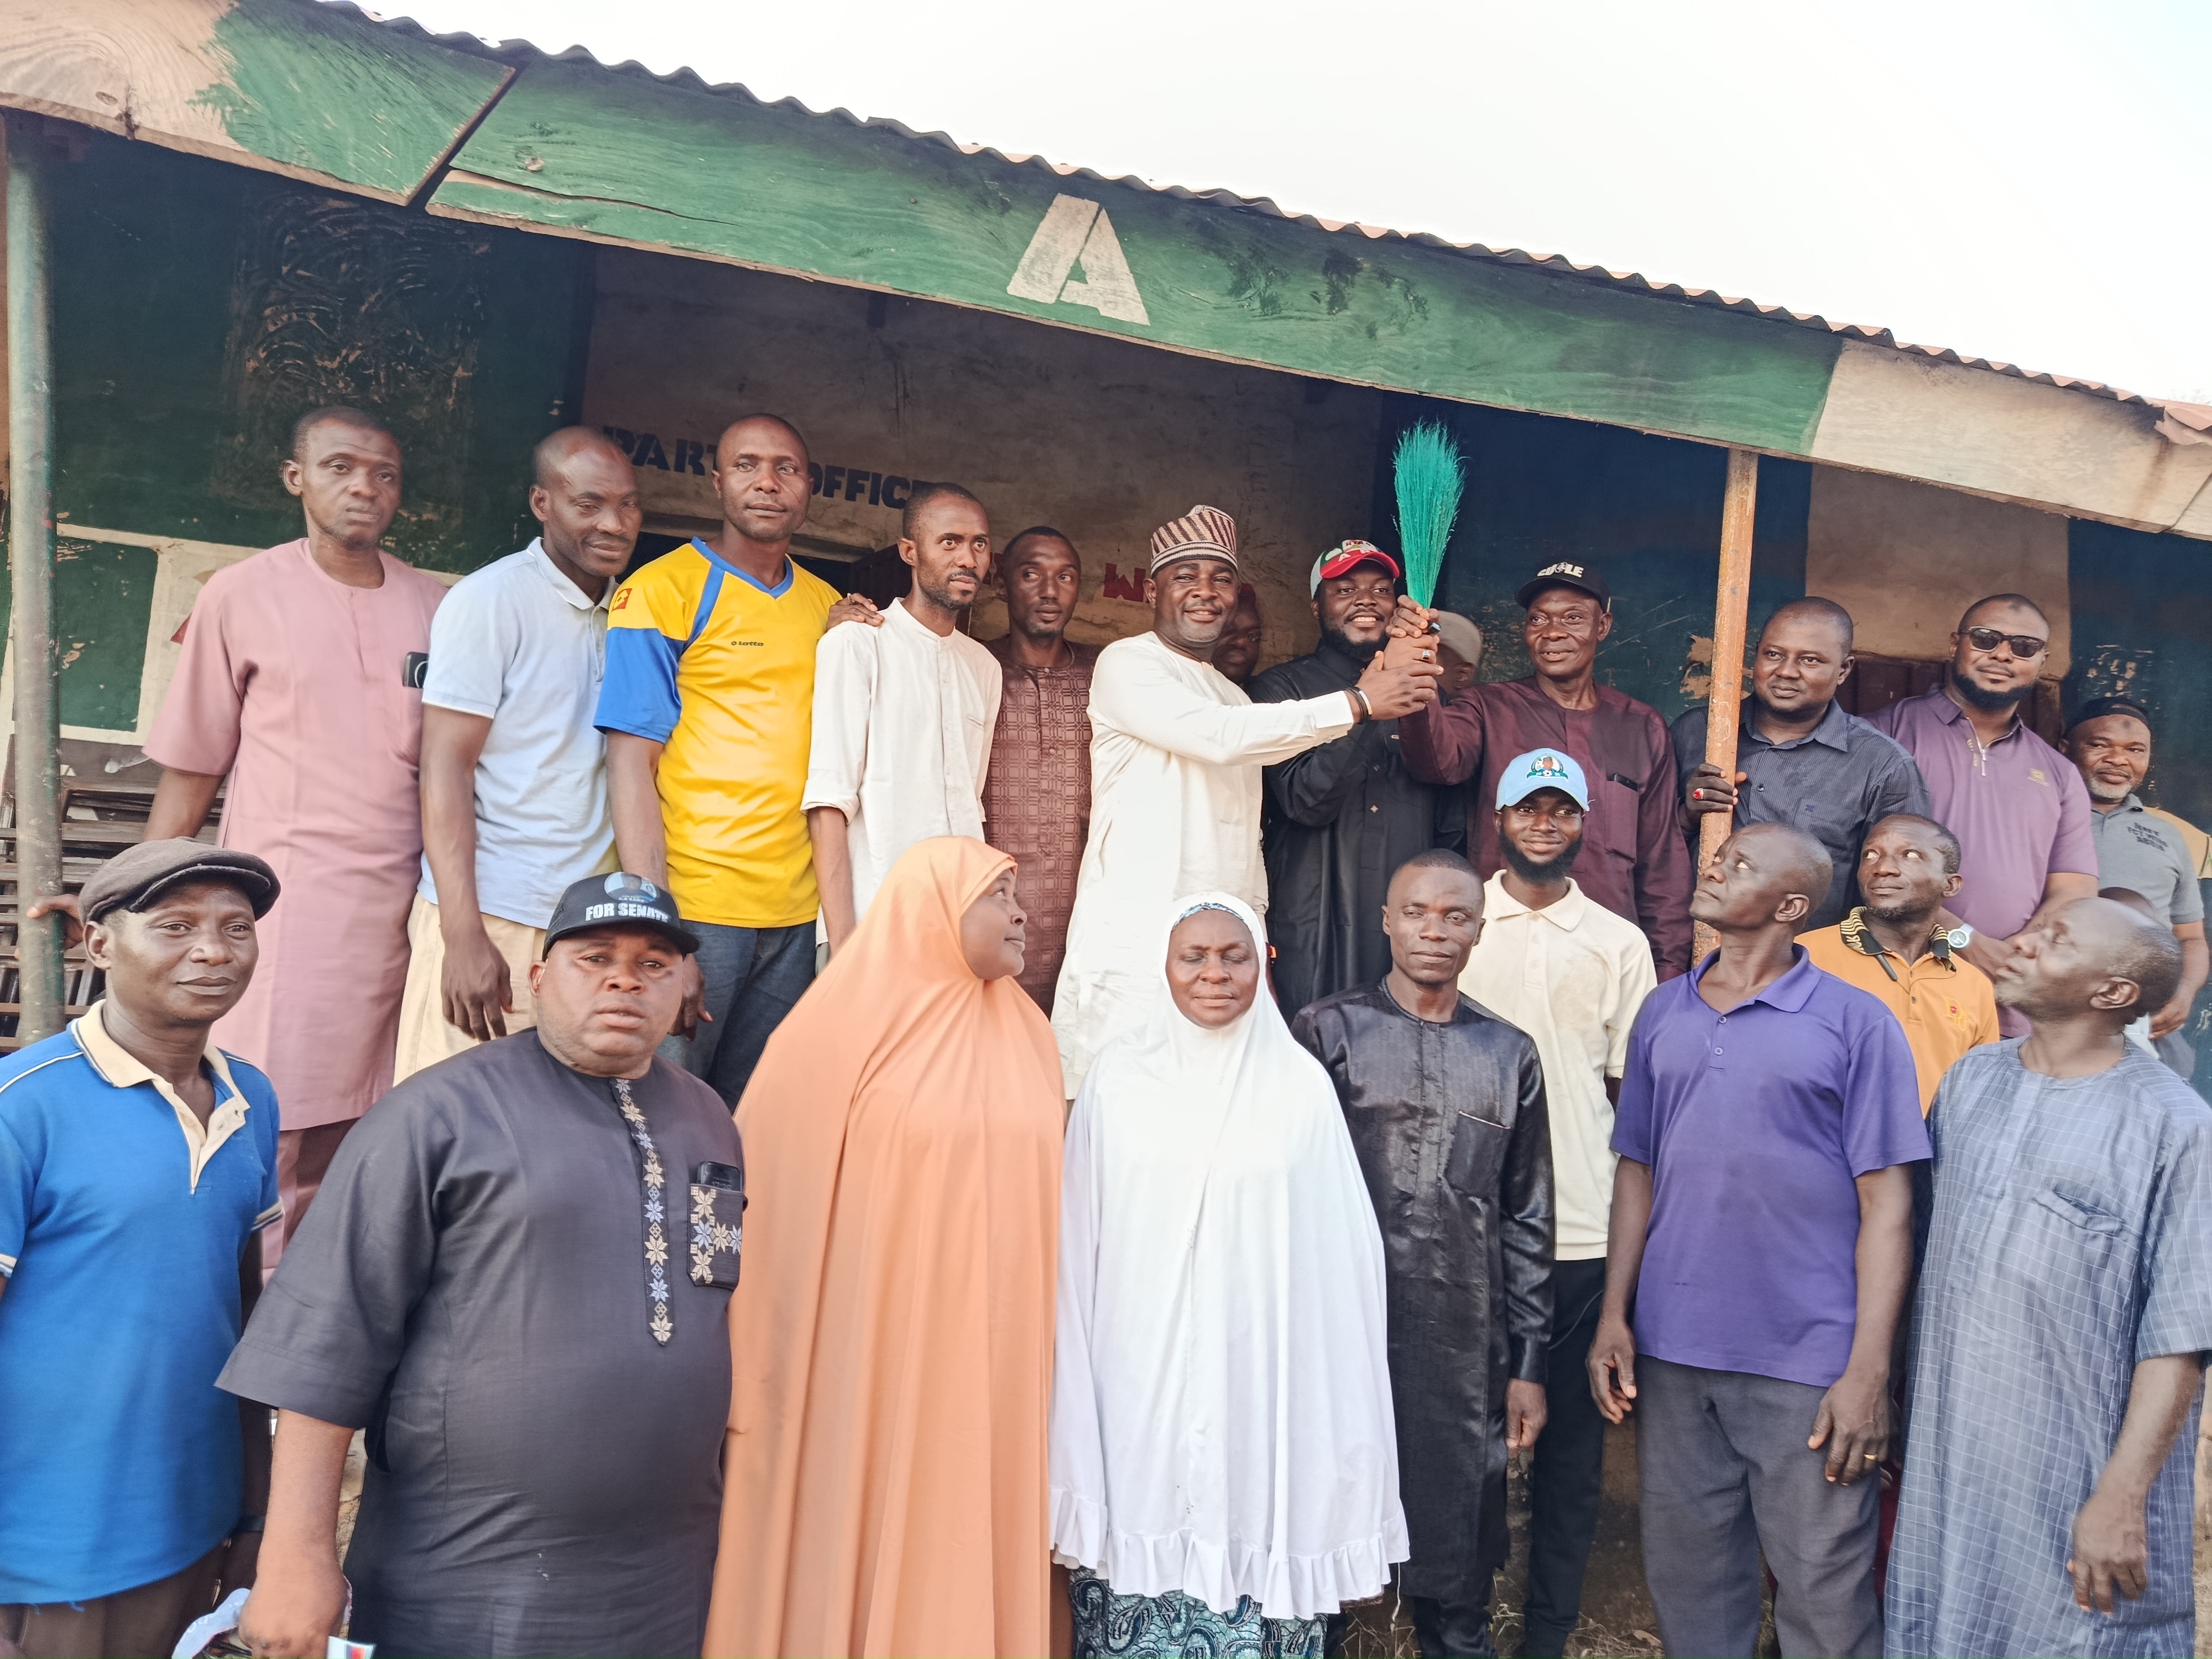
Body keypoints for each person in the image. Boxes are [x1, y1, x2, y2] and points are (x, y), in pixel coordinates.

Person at [220, 873, 739, 1659]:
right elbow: (324, 1346)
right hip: (466, 1580)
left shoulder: (709, 1119)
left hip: (665, 1578)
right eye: (594, 957)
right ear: (538, 978)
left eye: (654, 964)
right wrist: (295, 1559)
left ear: (685, 986)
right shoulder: (438, 1115)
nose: (624, 980)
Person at [706, 838, 1063, 1659]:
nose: (1021, 915)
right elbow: (774, 1213)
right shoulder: (832, 1033)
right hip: (865, 1366)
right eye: (998, 895)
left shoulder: (1031, 1037)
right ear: (928, 908)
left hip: (996, 1366)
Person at [1589, 823, 1928, 1659]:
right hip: (1674, 1349)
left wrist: (1868, 1371)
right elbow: (1637, 1169)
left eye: (1738, 865)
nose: (1714, 868)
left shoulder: (1856, 1021)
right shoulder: (1663, 1010)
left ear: (1789, 906)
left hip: (1808, 1360)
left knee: (1823, 1595)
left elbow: (1888, 1204)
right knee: (1692, 1586)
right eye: (1719, 857)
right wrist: (1614, 1316)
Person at [1051, 894, 1407, 1656]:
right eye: (1194, 957)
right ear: (1164, 967)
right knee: (1145, 1528)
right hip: (1137, 1384)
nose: (1214, 973)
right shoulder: (1117, 1080)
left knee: (1253, 1516)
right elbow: (1078, 1242)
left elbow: (1342, 1270)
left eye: (1233, 956)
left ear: (1261, 966)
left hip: (1263, 1386)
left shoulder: (1299, 1088)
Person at [135, 406, 445, 1262]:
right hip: (283, 905)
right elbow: (195, 765)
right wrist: (138, 892)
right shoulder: (241, 594)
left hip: (404, 910)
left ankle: (317, 1305)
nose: (364, 488)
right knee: (267, 1111)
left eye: (384, 474)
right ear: (296, 477)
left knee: (372, 1120)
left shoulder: (438, 608)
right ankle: (243, 1301)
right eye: (341, 467)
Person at [1886, 898, 2212, 1657]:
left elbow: (2179, 1336)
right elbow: (1920, 1246)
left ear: (2113, 992)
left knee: (2073, 1630)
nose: (2023, 945)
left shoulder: (2176, 1126)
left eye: (2055, 941)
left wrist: (2121, 1497)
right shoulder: (1971, 1080)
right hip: (1949, 1457)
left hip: (2073, 1472)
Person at [0, 842, 281, 1659]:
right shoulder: (24, 1107)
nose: (213, 951)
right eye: (176, 927)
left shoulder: (251, 1097)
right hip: (41, 1555)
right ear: (99, 944)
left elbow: (243, 1320)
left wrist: (256, 1515)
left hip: (188, 1531)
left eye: (236, 928)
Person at [1051, 506, 1439, 1095]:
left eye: (1221, 579)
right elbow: (1220, 737)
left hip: (1218, 959)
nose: (1205, 592)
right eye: (1186, 576)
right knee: (1114, 1106)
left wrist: (1258, 947)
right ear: (1152, 590)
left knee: (1207, 1110)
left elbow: (1245, 842)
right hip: (1133, 939)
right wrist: (1360, 703)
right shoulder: (1128, 663)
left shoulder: (1234, 696)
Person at [1295, 849, 1553, 1659]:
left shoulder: (1507, 1053)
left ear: (1479, 929)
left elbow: (1527, 1217)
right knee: (1324, 1545)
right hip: (1339, 1337)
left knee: (1457, 1570)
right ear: (1386, 920)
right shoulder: (1326, 1032)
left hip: (1462, 1349)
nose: (1434, 931)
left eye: (1454, 916)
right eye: (1416, 913)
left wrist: (1529, 1364)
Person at [596, 414, 876, 1105]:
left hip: (796, 916)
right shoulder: (661, 591)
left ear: (809, 486)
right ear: (717, 482)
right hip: (699, 906)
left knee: (753, 1116)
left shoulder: (826, 606)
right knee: (662, 1107)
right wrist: (659, 926)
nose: (767, 483)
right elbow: (630, 764)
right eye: (747, 465)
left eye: (786, 468)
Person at [1457, 750, 1656, 1659]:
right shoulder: (1457, 918)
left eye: (1561, 809)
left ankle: (1546, 1637)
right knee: (1467, 1450)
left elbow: (1631, 1094)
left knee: (1572, 1460)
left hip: (1580, 1222)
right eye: (1527, 807)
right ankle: (1457, 1627)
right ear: (1498, 819)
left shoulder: (1617, 942)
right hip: (1469, 1224)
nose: (1544, 822)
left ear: (1583, 824)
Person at [395, 428, 639, 1079]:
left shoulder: (631, 610)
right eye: (589, 504)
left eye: (627, 505)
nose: (614, 524)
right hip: (494, 915)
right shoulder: (491, 600)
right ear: (542, 503)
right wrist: (461, 935)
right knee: (457, 1114)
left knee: (558, 1122)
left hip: (586, 926)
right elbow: (446, 766)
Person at [1398, 561, 1694, 979]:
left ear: (1603, 626)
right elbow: (1437, 764)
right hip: (1498, 949)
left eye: (1573, 618)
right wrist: (1416, 666)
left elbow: (1662, 863)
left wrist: (1666, 972)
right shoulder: (1488, 708)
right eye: (1538, 619)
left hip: (1607, 957)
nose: (1553, 632)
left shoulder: (1642, 727)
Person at [1252, 540, 1464, 1013]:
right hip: (1311, 926)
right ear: (1316, 606)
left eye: (1381, 590)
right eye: (1345, 589)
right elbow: (1305, 801)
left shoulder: (1426, 694)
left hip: (1404, 931)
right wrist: (1366, 704)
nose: (1366, 600)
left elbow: (1450, 830)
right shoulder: (1280, 689)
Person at [1869, 594, 2097, 1030]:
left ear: (2042, 662)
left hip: (2007, 997)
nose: (2003, 655)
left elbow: (2075, 888)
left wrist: (2013, 953)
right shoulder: (1884, 735)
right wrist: (1965, 940)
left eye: (2024, 647)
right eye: (1986, 639)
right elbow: (1856, 859)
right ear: (1955, 645)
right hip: (1898, 980)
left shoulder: (2059, 772)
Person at [805, 482, 1003, 952]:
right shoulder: (856, 643)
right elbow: (829, 804)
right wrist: (843, 944)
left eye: (979, 544)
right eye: (950, 542)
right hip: (872, 924)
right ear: (910, 552)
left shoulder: (984, 667)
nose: (968, 559)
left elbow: (969, 802)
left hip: (956, 928)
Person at [1676, 598, 1929, 932]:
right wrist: (1688, 816)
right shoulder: (1696, 731)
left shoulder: (1882, 764)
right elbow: (1647, 849)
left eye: (1810, 660)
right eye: (1773, 654)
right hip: (1687, 949)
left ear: (1844, 670)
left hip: (1809, 957)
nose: (1786, 671)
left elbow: (1903, 889)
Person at [1798, 815, 2001, 1111]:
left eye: (1910, 855)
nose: (1883, 868)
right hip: (1824, 1138)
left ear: (1950, 885)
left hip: (1929, 1142)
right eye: (1870, 855)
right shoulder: (1804, 956)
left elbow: (1977, 1095)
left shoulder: (1974, 986)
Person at [982, 526, 1100, 1012]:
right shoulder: (973, 667)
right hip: (990, 901)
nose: (1050, 592)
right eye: (1032, 574)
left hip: (1086, 905)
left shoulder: (1106, 674)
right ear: (1002, 584)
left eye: (1065, 577)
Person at [2064, 695, 2208, 1074]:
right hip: (2056, 1007)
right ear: (2065, 749)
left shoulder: (2168, 835)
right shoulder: (2042, 817)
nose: (2118, 760)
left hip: (2145, 1017)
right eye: (2100, 745)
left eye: (2135, 750)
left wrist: (2184, 993)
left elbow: (2191, 937)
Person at [1213, 581, 1264, 686]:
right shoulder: (1181, 690)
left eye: (1253, 636)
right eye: (1227, 630)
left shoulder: (1270, 692)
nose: (1241, 642)